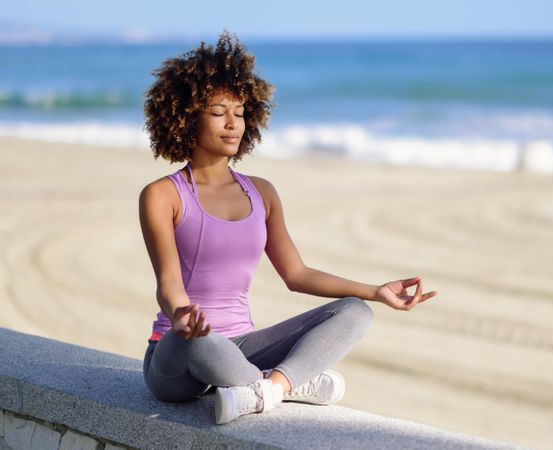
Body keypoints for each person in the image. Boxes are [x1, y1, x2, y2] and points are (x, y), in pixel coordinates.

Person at [138, 30, 438, 425]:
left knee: (355, 312)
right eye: (218, 113)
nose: (233, 124)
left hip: (242, 349)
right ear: (186, 116)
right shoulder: (163, 195)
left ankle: (270, 387)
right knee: (201, 341)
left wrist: (375, 291)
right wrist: (180, 316)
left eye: (241, 113)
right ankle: (292, 383)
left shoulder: (262, 193)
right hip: (179, 352)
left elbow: (296, 275)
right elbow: (168, 283)